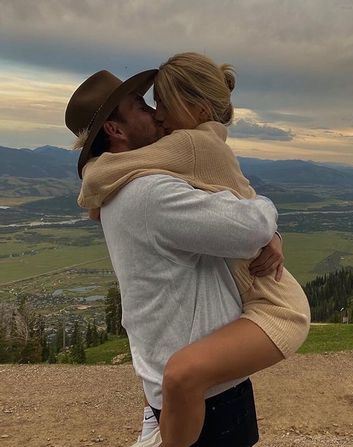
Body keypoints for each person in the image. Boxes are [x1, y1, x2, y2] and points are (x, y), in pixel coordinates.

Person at [77, 53, 311, 447]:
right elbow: (250, 225)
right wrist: (267, 223)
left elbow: (248, 224)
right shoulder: (149, 191)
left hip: (194, 373)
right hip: (209, 393)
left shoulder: (144, 176)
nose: (155, 113)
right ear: (115, 128)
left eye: (157, 102)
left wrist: (267, 229)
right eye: (141, 105)